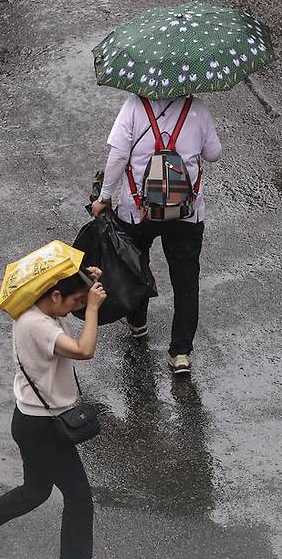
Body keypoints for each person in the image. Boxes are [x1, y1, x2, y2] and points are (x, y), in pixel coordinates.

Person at [0, 267, 117, 559]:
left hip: (31, 420)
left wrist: (85, 280)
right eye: (75, 301)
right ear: (54, 296)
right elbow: (85, 350)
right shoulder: (38, 326)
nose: (78, 308)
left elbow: (67, 301)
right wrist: (94, 308)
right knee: (79, 495)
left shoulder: (34, 310)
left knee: (35, 491)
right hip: (44, 427)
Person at [92, 95, 222, 375]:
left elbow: (117, 156)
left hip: (138, 210)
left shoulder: (133, 107)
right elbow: (213, 154)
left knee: (136, 264)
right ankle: (181, 352)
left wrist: (104, 197)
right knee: (186, 280)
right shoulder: (197, 108)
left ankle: (137, 321)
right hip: (186, 212)